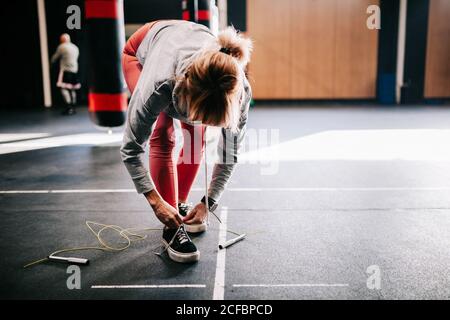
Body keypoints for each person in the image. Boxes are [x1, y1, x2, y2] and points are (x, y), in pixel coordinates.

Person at [120, 20, 252, 263]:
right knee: (162, 129)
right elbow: (131, 148)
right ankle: (171, 228)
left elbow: (229, 154)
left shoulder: (239, 91)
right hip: (139, 55)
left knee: (195, 136)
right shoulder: (160, 84)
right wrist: (156, 202)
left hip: (181, 48)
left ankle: (179, 205)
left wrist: (207, 203)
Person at [51, 33, 81, 115]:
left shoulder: (62, 47)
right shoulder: (75, 47)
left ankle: (69, 107)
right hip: (74, 70)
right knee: (72, 88)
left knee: (63, 88)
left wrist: (51, 63)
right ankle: (73, 106)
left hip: (65, 70)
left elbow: (55, 58)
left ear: (62, 40)